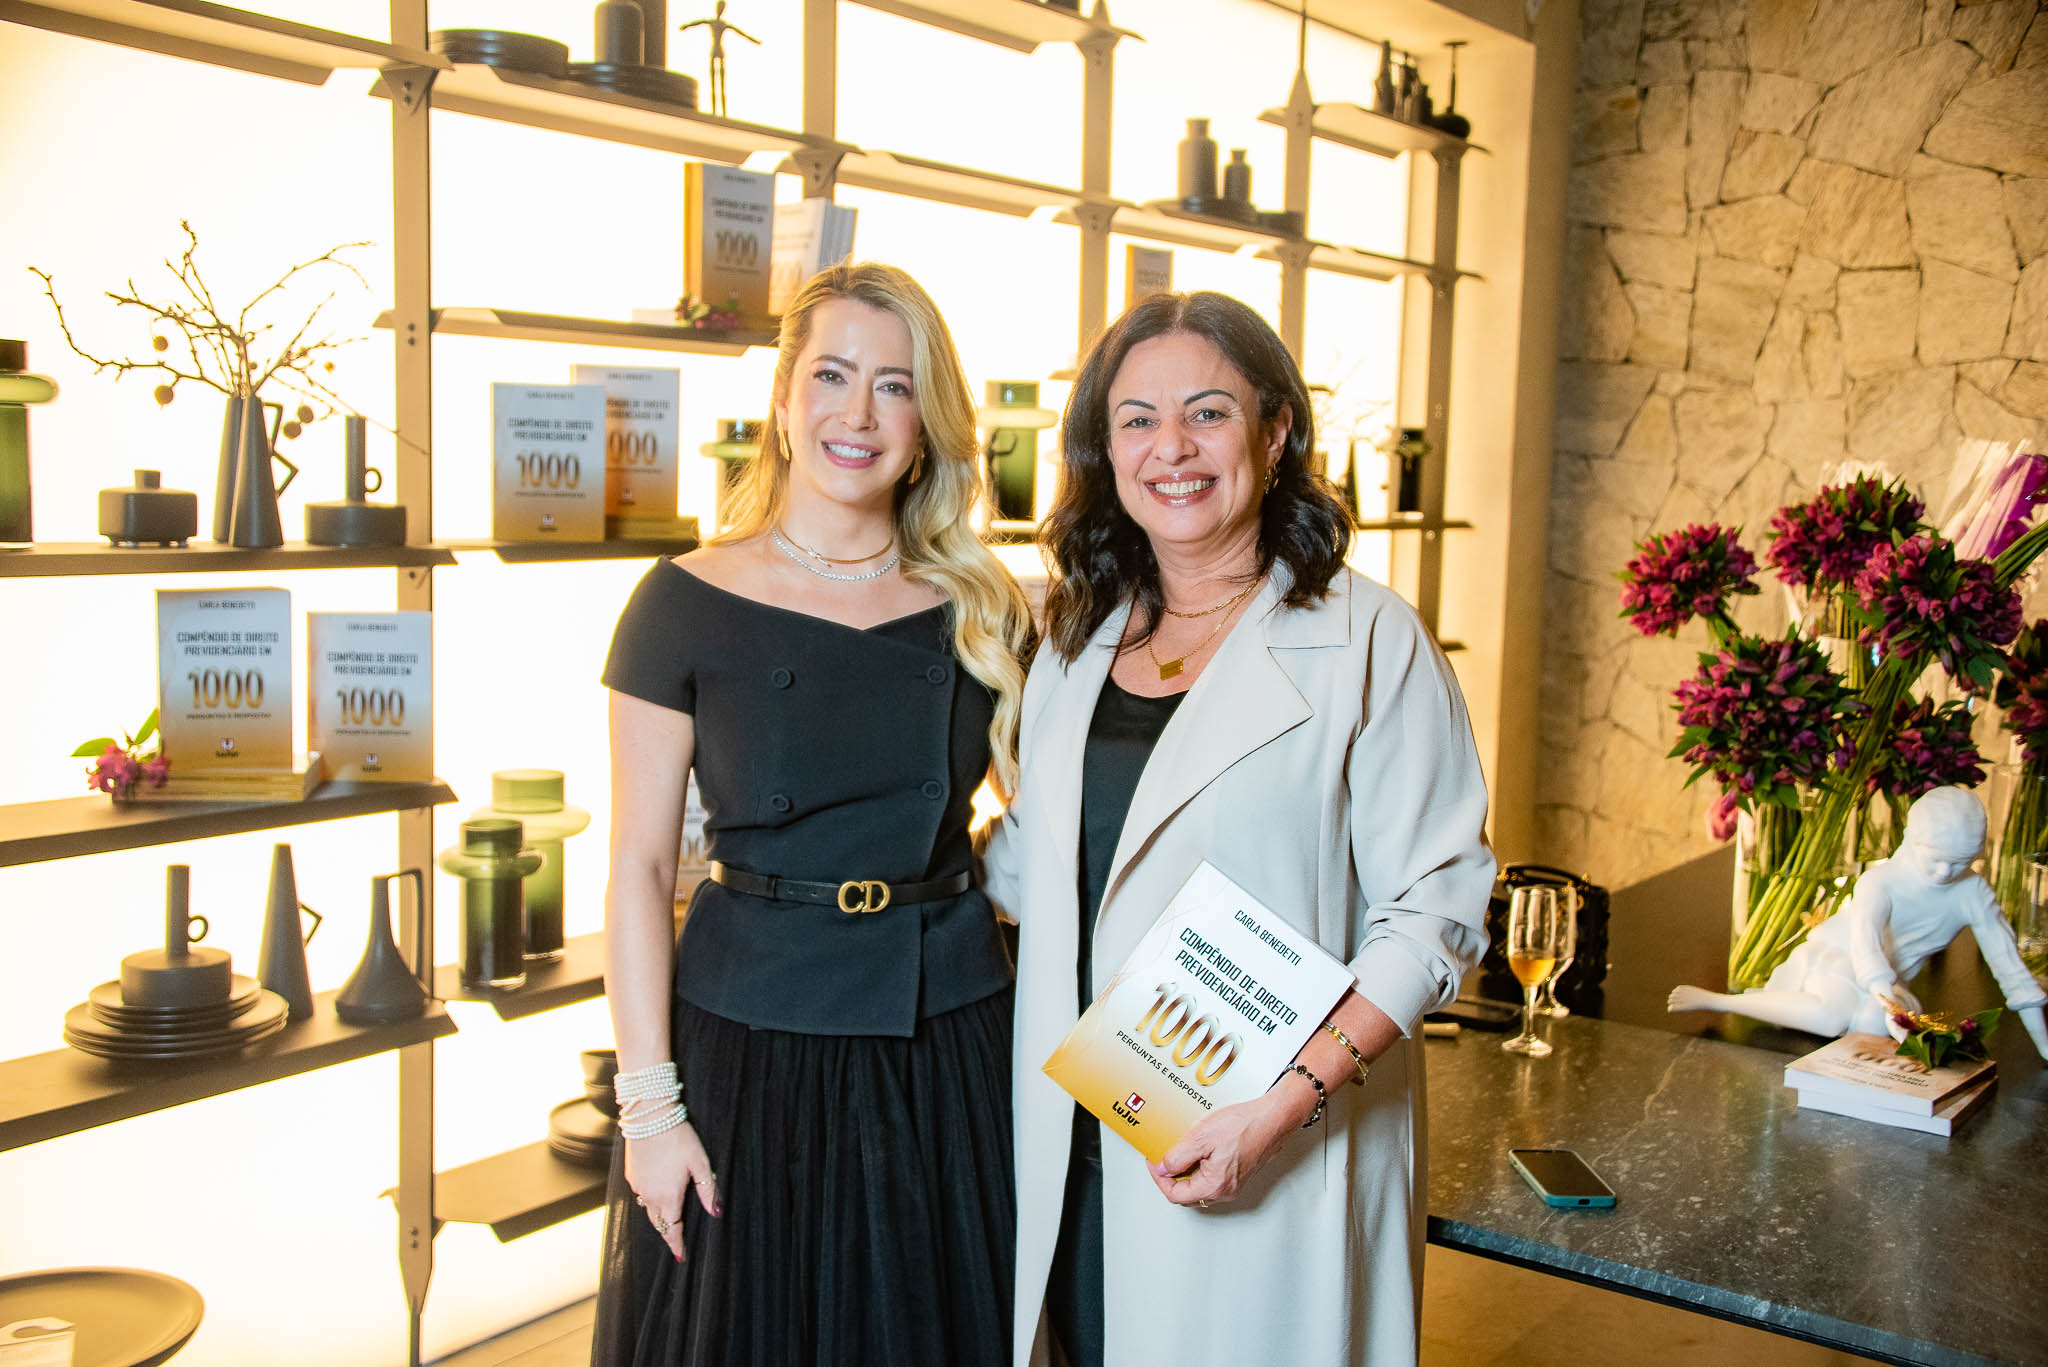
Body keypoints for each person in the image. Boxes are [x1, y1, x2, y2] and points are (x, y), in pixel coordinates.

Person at [981, 291, 1496, 1366]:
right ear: (1104, 450)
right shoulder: (1075, 638)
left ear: (1274, 432)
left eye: (1207, 412)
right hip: (1080, 1146)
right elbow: (1032, 866)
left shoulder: (1368, 638)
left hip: (1268, 1138)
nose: (1170, 447)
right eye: (1136, 419)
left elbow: (1434, 912)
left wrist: (1282, 1103)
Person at [592, 261, 1035, 1366]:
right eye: (832, 375)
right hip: (751, 1042)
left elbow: (1047, 824)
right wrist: (649, 1109)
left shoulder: (982, 605)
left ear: (926, 427)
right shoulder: (680, 602)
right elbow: (639, 866)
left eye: (895, 385)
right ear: (784, 400)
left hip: (946, 1037)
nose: (858, 412)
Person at [1669, 785, 2048, 1057]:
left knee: (1870, 1026)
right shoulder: (1881, 881)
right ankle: (1721, 1001)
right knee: (1832, 1018)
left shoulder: (1972, 892)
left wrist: (2045, 1048)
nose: (1946, 871)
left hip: (1889, 984)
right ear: (1910, 837)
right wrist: (1891, 1006)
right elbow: (1866, 950)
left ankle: (1808, 1009)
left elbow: (2011, 969)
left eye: (1961, 861)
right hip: (1840, 958)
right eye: (1935, 858)